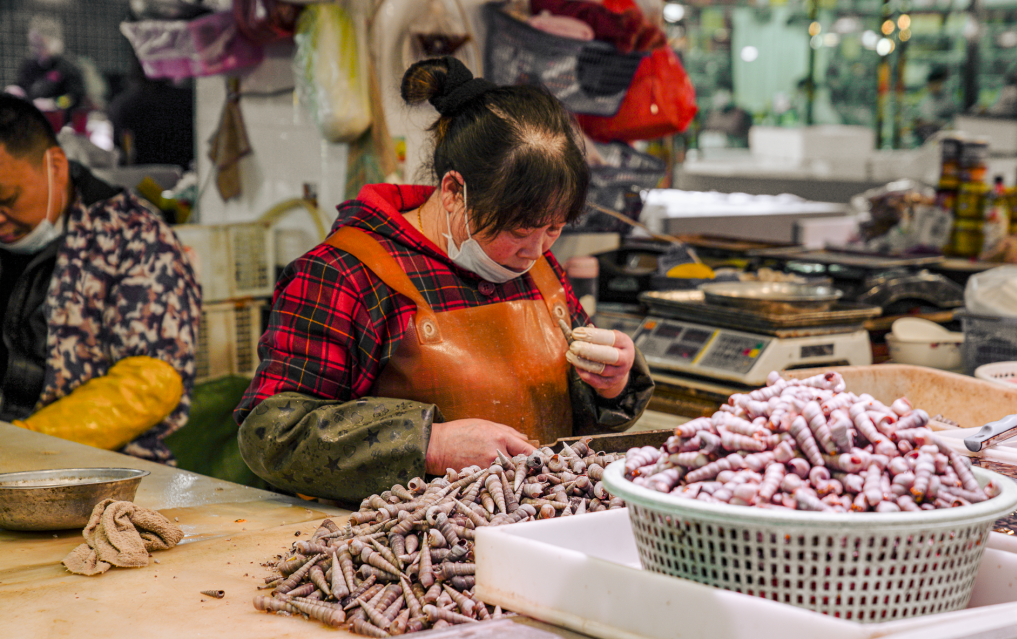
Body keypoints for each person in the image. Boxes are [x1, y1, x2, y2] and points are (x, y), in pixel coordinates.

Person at [235, 57, 654, 504]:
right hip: (408, 553)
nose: (536, 250)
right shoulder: (346, 273)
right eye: (519, 229)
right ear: (454, 191)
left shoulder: (538, 266)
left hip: (539, 529)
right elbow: (272, 434)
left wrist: (612, 383)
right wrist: (429, 445)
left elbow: (567, 413)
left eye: (554, 228)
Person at [0, 93, 201, 464]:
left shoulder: (135, 237)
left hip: (98, 476)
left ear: (55, 165)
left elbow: (152, 380)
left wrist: (23, 444)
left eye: (7, 198)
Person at [914, 66, 959, 143]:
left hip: (945, 138)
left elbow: (955, 122)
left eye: (936, 84)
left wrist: (936, 123)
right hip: (927, 138)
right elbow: (920, 120)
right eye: (931, 85)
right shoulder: (925, 101)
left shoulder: (950, 100)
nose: (933, 87)